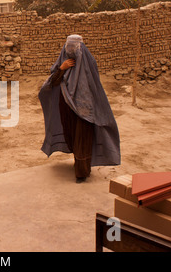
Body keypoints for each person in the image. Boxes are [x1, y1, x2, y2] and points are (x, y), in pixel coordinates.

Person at [38, 35, 120, 183]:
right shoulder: (62, 64)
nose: (71, 51)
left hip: (84, 110)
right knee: (72, 138)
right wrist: (62, 69)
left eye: (74, 47)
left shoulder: (89, 63)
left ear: (80, 47)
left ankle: (81, 172)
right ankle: (82, 165)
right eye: (68, 47)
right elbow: (52, 83)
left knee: (83, 139)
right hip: (67, 109)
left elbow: (95, 87)